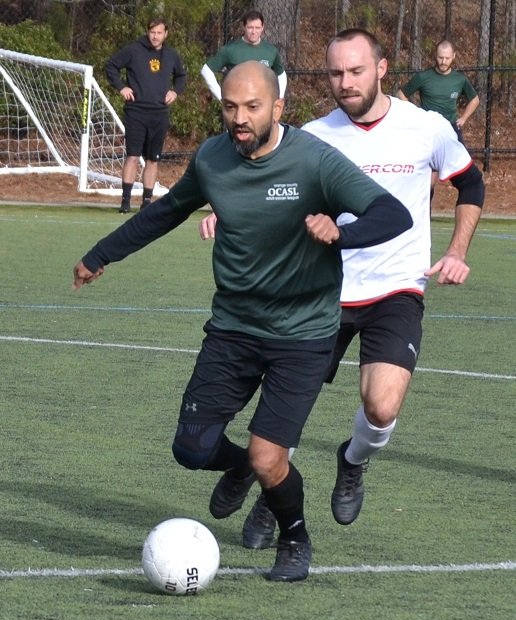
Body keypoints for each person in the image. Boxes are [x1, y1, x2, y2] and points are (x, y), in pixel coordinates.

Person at [72, 61, 412, 582]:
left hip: (301, 336)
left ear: (277, 108)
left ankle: (295, 539)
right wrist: (102, 254)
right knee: (191, 448)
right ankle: (240, 468)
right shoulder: (212, 158)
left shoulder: (315, 161)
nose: (240, 117)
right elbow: (166, 212)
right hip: (232, 329)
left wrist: (342, 234)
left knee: (269, 455)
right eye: (230, 106)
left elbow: (393, 214)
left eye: (252, 106)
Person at [216, 29, 483, 551]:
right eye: (335, 73)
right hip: (321, 293)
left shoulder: (425, 127)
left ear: (382, 70)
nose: (345, 82)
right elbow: (271, 194)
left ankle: (352, 460)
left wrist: (457, 252)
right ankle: (274, 495)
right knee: (288, 410)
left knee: (382, 408)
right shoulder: (312, 135)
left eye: (356, 71)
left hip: (396, 291)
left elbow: (470, 184)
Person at [106, 17, 187, 214]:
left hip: (159, 114)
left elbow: (182, 76)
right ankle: (125, 202)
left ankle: (146, 202)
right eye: (152, 32)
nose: (155, 36)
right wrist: (122, 87)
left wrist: (175, 91)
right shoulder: (134, 50)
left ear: (165, 34)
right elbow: (111, 66)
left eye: (159, 33)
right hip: (136, 112)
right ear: (147, 32)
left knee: (153, 159)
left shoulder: (171, 55)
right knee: (132, 156)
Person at [397, 40, 479, 145]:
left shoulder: (460, 79)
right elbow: (401, 94)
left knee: (460, 160)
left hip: (451, 127)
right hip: (427, 129)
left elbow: (475, 100)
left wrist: (463, 118)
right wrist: (416, 115)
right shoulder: (423, 77)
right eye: (440, 58)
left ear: (453, 56)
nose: (443, 62)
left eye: (447, 58)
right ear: (436, 56)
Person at [200, 9, 287, 100]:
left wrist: (279, 97)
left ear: (262, 28)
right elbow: (206, 70)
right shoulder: (230, 50)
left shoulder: (271, 51)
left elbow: (281, 74)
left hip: (263, 105)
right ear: (244, 27)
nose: (254, 32)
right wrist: (221, 97)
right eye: (250, 27)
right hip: (238, 104)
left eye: (257, 28)